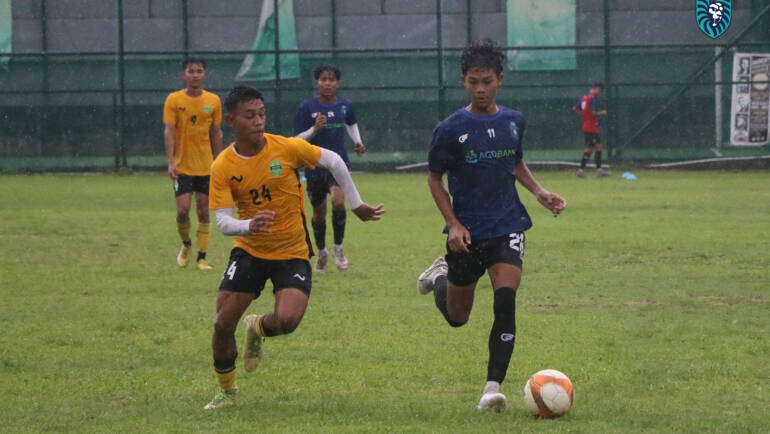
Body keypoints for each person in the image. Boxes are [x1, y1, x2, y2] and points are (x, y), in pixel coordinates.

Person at [203, 85, 384, 410]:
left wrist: (356, 205)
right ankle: (226, 392)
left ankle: (257, 327)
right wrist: (248, 225)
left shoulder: (285, 148)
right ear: (231, 120)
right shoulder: (223, 166)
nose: (258, 121)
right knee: (221, 323)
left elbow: (333, 161)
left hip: (291, 252)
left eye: (261, 114)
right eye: (250, 115)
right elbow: (223, 222)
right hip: (249, 251)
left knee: (287, 321)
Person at [416, 39, 567, 413]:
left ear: (499, 80)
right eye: (472, 82)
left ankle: (491, 388)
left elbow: (515, 164)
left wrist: (539, 192)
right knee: (457, 318)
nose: (480, 89)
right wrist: (452, 225)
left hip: (508, 224)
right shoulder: (450, 129)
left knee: (506, 300)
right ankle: (440, 276)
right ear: (464, 82)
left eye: (486, 81)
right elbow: (435, 179)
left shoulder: (513, 121)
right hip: (466, 232)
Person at [293, 65, 366, 274]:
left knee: (338, 201)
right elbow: (296, 140)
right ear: (317, 83)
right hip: (315, 165)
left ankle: (339, 248)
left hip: (339, 164)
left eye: (331, 79)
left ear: (338, 83)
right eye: (323, 80)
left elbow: (351, 123)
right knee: (319, 213)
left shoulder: (345, 106)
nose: (327, 83)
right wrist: (314, 129)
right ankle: (322, 252)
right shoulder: (306, 108)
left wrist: (358, 142)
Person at [163, 56, 224, 270]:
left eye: (199, 71)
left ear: (205, 75)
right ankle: (186, 244)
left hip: (206, 167)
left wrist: (220, 161)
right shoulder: (174, 100)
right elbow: (169, 131)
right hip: (182, 167)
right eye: (191, 71)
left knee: (204, 210)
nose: (195, 75)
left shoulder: (213, 101)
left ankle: (202, 257)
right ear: (184, 75)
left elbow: (216, 132)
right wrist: (171, 162)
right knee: (182, 210)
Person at [572, 82, 609, 178]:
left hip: (587, 126)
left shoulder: (585, 98)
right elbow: (593, 113)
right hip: (590, 127)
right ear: (596, 89)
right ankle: (587, 170)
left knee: (594, 147)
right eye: (600, 91)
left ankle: (592, 170)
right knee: (595, 147)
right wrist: (602, 113)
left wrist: (585, 116)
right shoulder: (592, 98)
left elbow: (575, 109)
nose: (600, 93)